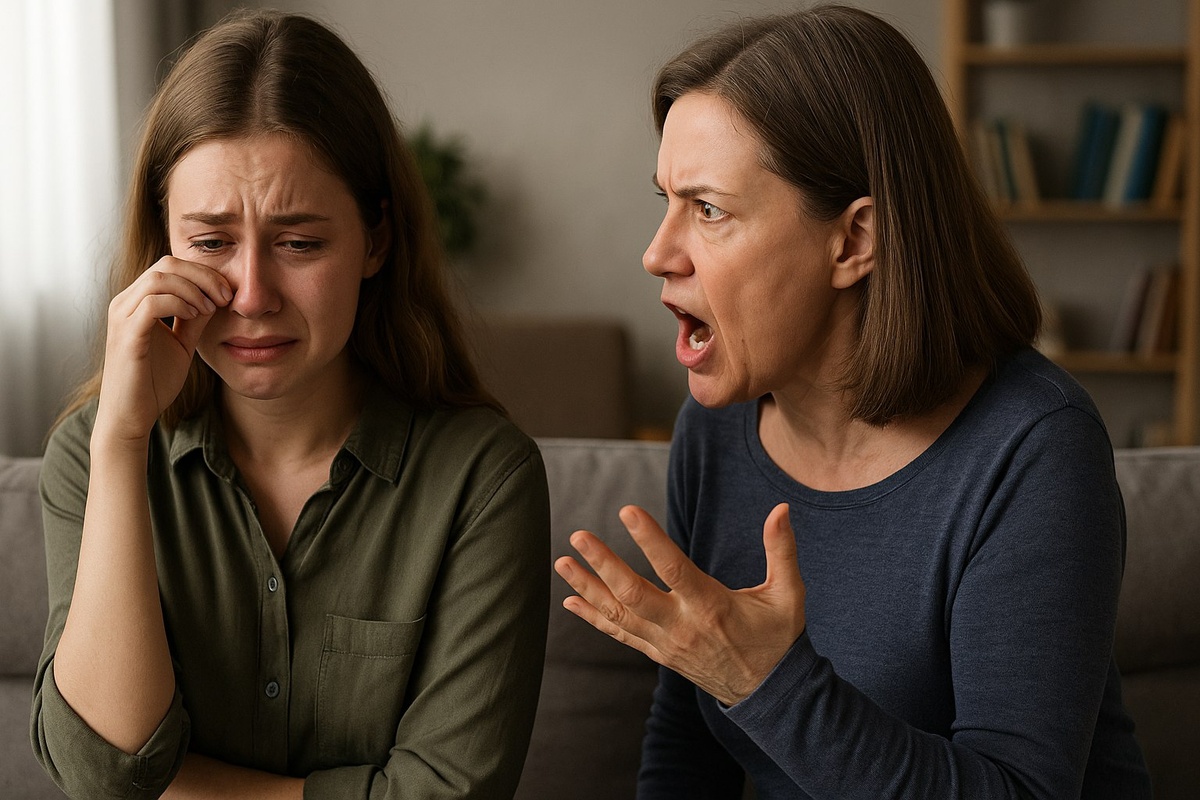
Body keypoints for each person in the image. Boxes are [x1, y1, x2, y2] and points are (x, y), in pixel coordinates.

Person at [555, 5, 1152, 799]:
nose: (657, 253)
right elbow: (685, 742)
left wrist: (771, 685)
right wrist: (726, 672)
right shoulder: (715, 425)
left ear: (854, 241)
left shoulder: (1035, 450)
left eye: (707, 209)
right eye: (664, 201)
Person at [32, 10, 549, 799]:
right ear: (161, 244)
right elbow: (102, 771)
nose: (252, 296)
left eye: (300, 243)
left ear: (375, 241)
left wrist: (182, 788)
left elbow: (452, 792)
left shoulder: (483, 477)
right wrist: (120, 439)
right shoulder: (92, 455)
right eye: (209, 243)